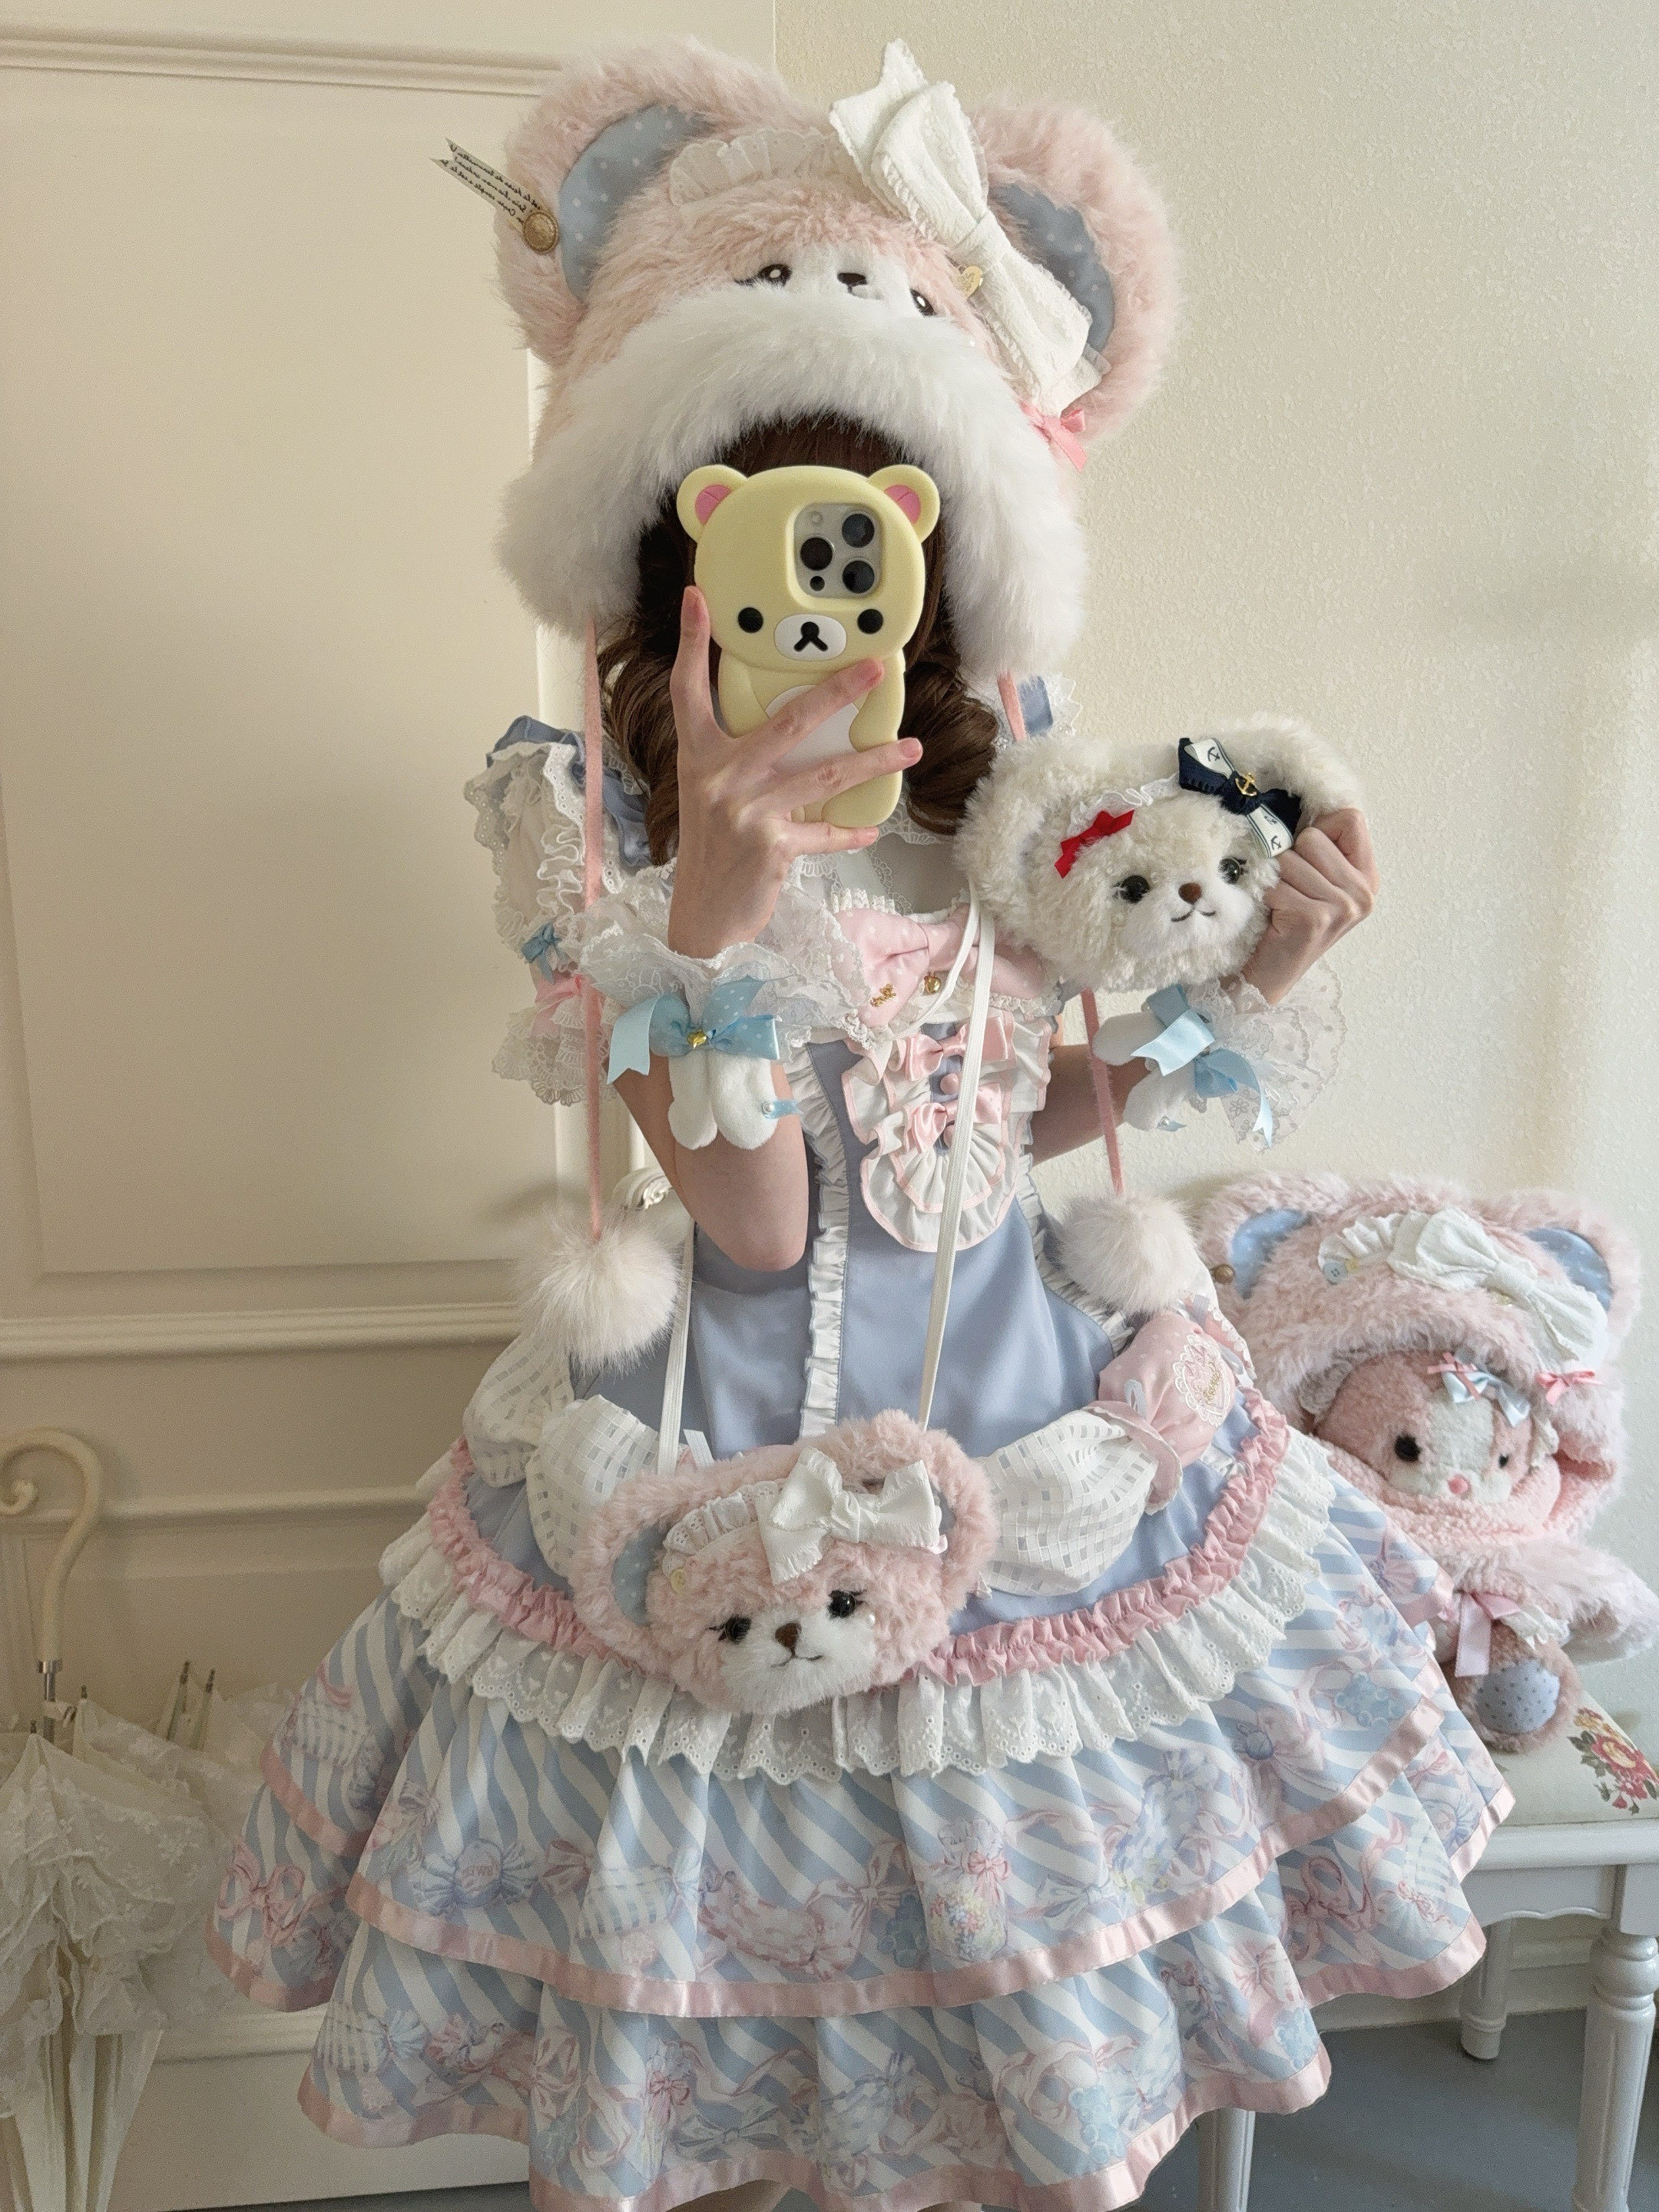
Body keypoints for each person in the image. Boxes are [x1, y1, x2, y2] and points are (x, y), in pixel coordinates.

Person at [210, 39, 1507, 2210]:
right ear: (671, 555)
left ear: (954, 555)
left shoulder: (1013, 812)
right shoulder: (588, 830)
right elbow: (749, 1229)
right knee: (733, 2072)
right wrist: (714, 912)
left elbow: (1004, 1127)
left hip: (1036, 1431)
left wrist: (1241, 991)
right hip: (721, 1456)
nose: (829, 612)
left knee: (1015, 2059)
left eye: (890, 539)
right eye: (756, 537)